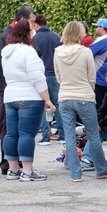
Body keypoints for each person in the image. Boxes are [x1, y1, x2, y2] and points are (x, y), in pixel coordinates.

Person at [54, 21, 107, 182]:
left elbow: (58, 76)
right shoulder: (86, 52)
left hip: (65, 96)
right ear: (80, 33)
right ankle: (101, 169)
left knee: (69, 136)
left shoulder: (57, 52)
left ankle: (75, 174)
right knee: (93, 134)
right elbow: (91, 77)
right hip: (84, 96)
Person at [0, 17, 55, 181]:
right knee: (27, 134)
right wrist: (47, 99)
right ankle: (28, 171)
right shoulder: (28, 51)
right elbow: (37, 78)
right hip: (30, 96)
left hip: (11, 96)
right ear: (28, 33)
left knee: (11, 133)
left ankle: (13, 170)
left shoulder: (6, 52)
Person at [31, 11, 62, 143]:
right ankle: (63, 135)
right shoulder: (57, 37)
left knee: (42, 105)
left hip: (41, 75)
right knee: (57, 105)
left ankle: (45, 136)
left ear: (36, 25)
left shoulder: (35, 39)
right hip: (55, 74)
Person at [89, 18, 107, 107]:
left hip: (100, 79)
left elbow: (86, 53)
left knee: (100, 108)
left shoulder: (102, 40)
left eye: (97, 27)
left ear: (102, 28)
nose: (95, 29)